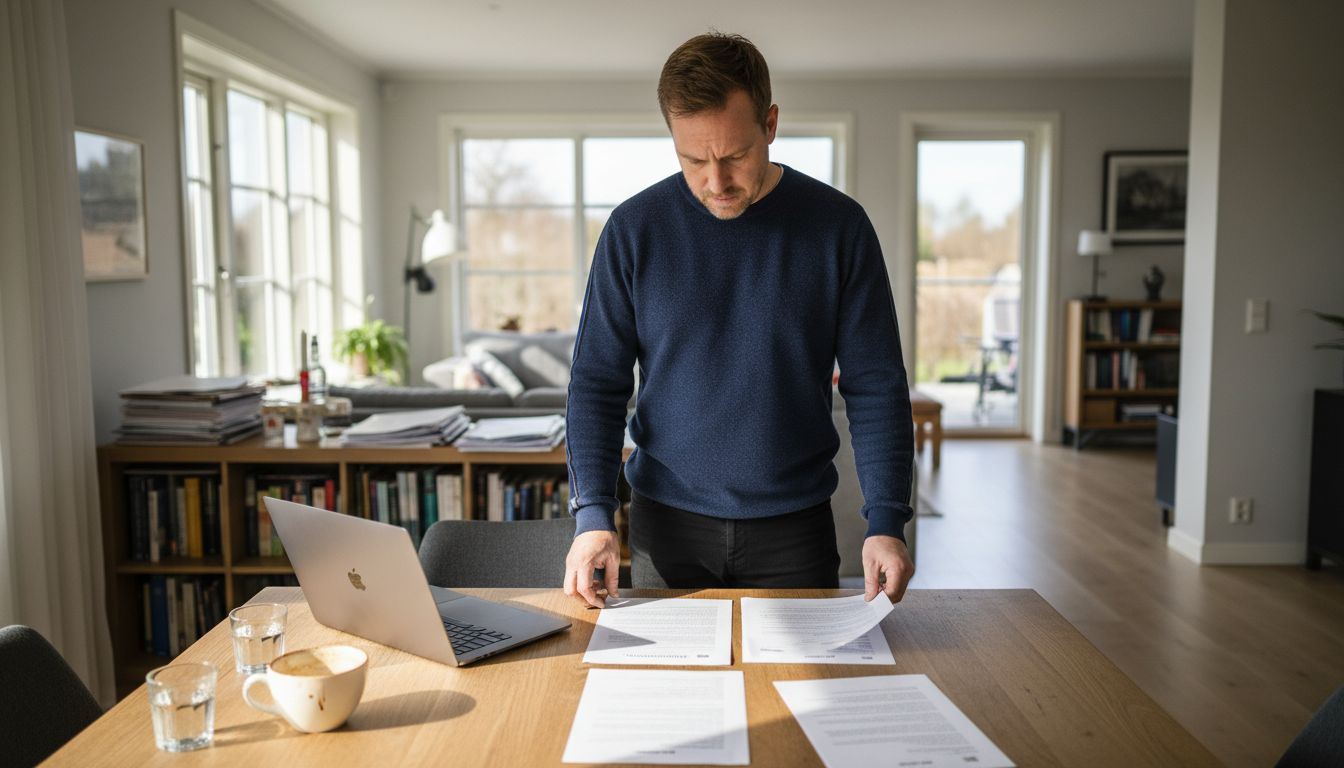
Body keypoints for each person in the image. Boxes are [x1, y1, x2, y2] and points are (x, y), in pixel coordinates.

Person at [562, 32, 915, 609]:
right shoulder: (633, 231)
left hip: (795, 530)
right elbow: (595, 384)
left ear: (770, 124)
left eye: (734, 156)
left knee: (803, 695)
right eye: (693, 160)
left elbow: (877, 387)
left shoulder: (839, 228)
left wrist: (887, 521)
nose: (715, 182)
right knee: (672, 698)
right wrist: (593, 516)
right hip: (665, 527)